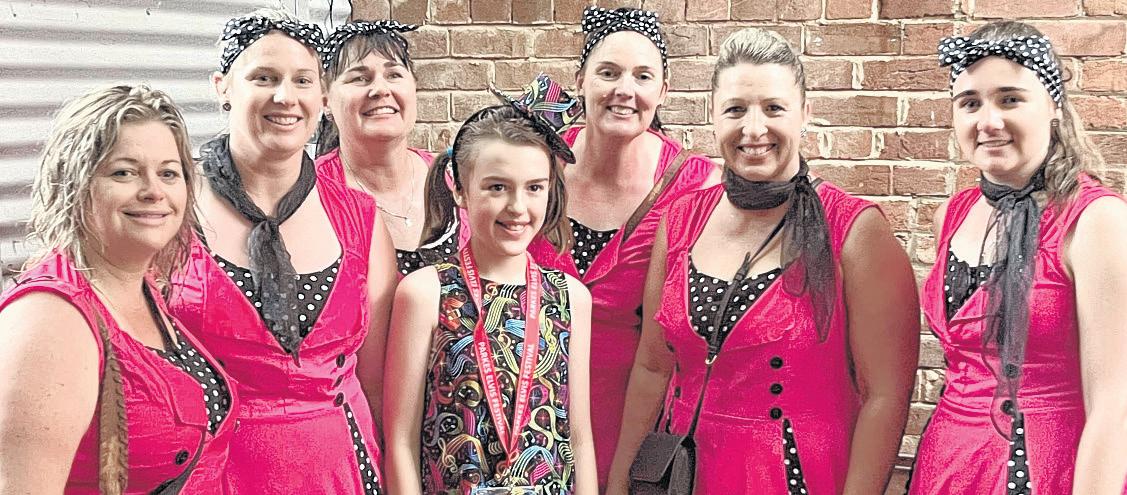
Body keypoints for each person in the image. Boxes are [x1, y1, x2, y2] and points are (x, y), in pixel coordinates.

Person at [606, 28, 920, 494]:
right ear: (713, 115)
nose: (754, 130)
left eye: (774, 108)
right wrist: (619, 481)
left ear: (804, 113)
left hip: (791, 475)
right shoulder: (680, 220)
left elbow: (886, 397)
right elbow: (653, 368)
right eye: (736, 110)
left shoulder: (855, 230)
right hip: (681, 474)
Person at [166, 9, 397, 494]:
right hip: (213, 475)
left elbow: (376, 385)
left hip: (342, 472)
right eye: (264, 78)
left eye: (302, 80)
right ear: (223, 87)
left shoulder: (358, 219)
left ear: (323, 98)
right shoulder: (173, 210)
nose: (285, 97)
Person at [908, 21, 1127, 495]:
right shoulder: (953, 215)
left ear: (1053, 105)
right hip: (947, 467)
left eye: (1009, 99)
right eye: (970, 103)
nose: (988, 121)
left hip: (1046, 470)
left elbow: (1115, 404)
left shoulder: (1096, 221)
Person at [0, 84, 238, 493]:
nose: (154, 191)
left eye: (168, 173)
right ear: (75, 184)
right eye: (124, 172)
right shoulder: (49, 322)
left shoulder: (142, 285)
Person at [524, 7, 715, 487]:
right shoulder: (534, 162)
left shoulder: (695, 187)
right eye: (608, 73)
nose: (624, 90)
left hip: (634, 421)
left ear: (663, 90)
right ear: (581, 80)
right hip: (527, 411)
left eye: (642, 76)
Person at [383, 80, 596, 494]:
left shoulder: (571, 297)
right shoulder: (425, 293)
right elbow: (401, 441)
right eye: (497, 187)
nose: (517, 207)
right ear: (460, 189)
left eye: (534, 188)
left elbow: (580, 437)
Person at [317, 18, 470, 277]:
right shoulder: (310, 192)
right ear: (325, 101)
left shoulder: (455, 176)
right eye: (360, 78)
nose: (380, 89)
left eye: (394, 75)